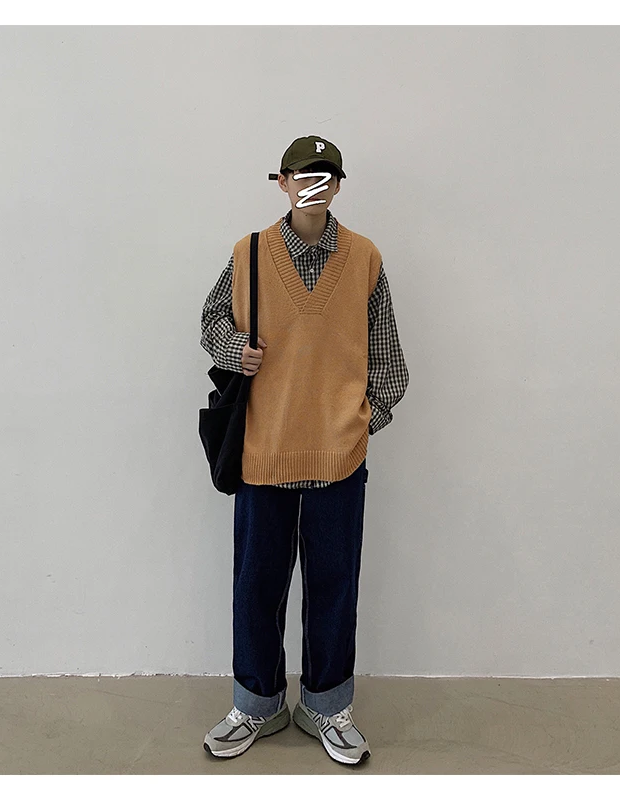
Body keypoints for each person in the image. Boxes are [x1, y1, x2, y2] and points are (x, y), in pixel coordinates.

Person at [199, 135, 409, 765]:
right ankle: (256, 706)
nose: (314, 186)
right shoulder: (249, 252)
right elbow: (212, 324)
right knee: (256, 586)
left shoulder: (365, 257)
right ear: (283, 183)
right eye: (302, 176)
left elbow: (388, 357)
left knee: (334, 587)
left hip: (338, 458)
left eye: (326, 176)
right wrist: (238, 352)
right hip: (263, 450)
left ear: (338, 185)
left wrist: (359, 423)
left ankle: (327, 706)